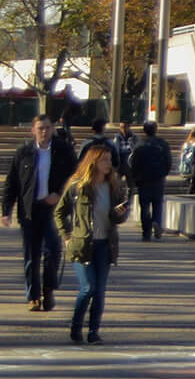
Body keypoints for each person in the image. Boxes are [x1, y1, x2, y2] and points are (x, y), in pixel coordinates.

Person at [59, 141, 130, 344]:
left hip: (105, 245)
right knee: (88, 287)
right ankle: (76, 327)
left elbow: (117, 219)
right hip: (82, 245)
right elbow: (59, 212)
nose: (109, 164)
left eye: (109, 160)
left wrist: (120, 214)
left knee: (99, 291)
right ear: (94, 162)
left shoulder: (113, 186)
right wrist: (66, 235)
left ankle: (93, 331)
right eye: (104, 160)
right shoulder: (78, 186)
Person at [3, 115, 71, 311]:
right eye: (40, 128)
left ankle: (48, 289)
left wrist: (59, 194)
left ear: (53, 129)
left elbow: (74, 176)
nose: (44, 132)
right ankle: (33, 296)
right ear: (32, 130)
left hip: (53, 210)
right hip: (29, 211)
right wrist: (6, 211)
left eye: (48, 128)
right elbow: (12, 183)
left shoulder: (63, 151)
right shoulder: (23, 153)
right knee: (31, 256)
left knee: (53, 251)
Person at [125, 123, 172, 242]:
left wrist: (135, 178)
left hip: (143, 180)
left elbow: (134, 163)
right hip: (158, 179)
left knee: (144, 206)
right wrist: (164, 173)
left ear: (143, 130)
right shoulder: (162, 144)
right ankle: (156, 221)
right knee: (157, 203)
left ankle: (146, 232)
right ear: (156, 130)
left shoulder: (140, 145)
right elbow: (168, 160)